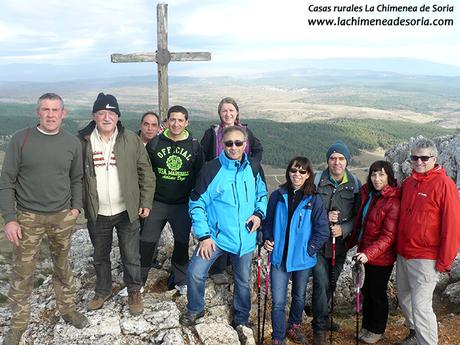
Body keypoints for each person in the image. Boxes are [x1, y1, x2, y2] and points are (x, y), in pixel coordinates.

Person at [0, 93, 88, 345]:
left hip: (62, 216)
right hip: (27, 217)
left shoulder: (71, 143)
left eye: (55, 110)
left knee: (63, 266)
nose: (50, 114)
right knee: (23, 272)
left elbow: (76, 179)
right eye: (45, 109)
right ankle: (18, 325)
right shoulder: (21, 139)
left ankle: (68, 309)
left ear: (64, 113)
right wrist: (9, 218)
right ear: (38, 112)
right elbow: (6, 181)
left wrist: (76, 210)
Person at [180, 125, 268, 327]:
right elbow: (196, 203)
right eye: (229, 143)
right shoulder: (211, 169)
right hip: (216, 238)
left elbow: (261, 195)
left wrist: (258, 214)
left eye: (238, 143)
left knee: (243, 281)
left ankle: (241, 318)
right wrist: (203, 236)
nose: (234, 147)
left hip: (244, 238)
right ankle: (195, 308)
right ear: (222, 144)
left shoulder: (253, 168)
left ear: (245, 145)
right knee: (195, 272)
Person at [78, 92, 154, 316]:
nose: (107, 117)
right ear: (94, 115)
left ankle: (134, 291)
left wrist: (145, 201)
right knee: (100, 255)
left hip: (126, 210)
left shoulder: (130, 139)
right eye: (102, 113)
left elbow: (146, 173)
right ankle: (102, 290)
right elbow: (73, 176)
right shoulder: (82, 141)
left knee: (131, 254)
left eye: (112, 113)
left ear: (118, 117)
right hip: (97, 211)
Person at [394, 138, 460, 345]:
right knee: (404, 298)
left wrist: (444, 261)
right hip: (404, 254)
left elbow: (452, 227)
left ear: (434, 158)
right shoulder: (409, 183)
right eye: (415, 157)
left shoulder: (445, 185)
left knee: (421, 307)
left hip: (426, 259)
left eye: (424, 157)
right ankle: (415, 333)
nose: (419, 161)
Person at [263, 156, 329, 345]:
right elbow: (267, 223)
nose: (297, 175)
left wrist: (309, 249)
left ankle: (294, 326)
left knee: (299, 296)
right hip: (279, 257)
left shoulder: (313, 199)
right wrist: (267, 239)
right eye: (293, 170)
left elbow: (322, 229)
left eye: (302, 171)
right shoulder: (277, 195)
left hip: (302, 259)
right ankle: (278, 337)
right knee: (278, 301)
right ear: (288, 172)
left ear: (308, 174)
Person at [141, 105, 204, 294]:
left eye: (180, 120)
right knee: (146, 241)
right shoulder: (155, 143)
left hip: (182, 204)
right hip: (157, 202)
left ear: (186, 123)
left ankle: (180, 279)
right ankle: (138, 281)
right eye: (172, 120)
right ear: (166, 121)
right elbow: (146, 172)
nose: (176, 124)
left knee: (182, 242)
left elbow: (200, 174)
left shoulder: (194, 145)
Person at [200, 97, 263, 284]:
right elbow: (202, 155)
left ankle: (232, 262)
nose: (228, 114)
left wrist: (253, 165)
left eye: (231, 110)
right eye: (224, 111)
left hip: (241, 178)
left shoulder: (245, 131)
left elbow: (258, 149)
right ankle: (218, 267)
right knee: (220, 221)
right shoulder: (213, 133)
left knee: (238, 220)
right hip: (219, 183)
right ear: (219, 113)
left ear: (237, 112)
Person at [310, 140, 361, 345]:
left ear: (347, 161)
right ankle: (319, 329)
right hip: (319, 244)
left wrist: (344, 229)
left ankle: (324, 315)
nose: (336, 162)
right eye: (332, 158)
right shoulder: (316, 181)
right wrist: (324, 218)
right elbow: (308, 209)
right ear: (328, 160)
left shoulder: (355, 185)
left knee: (331, 282)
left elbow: (357, 216)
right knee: (321, 284)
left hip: (340, 245)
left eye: (341, 158)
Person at [347, 160, 400, 344]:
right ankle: (367, 327)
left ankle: (377, 330)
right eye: (374, 174)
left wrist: (368, 253)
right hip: (365, 254)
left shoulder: (392, 201)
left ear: (389, 177)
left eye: (381, 175)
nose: (377, 179)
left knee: (377, 293)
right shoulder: (369, 194)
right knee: (367, 291)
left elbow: (388, 236)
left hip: (381, 258)